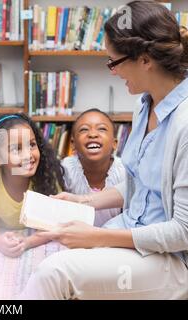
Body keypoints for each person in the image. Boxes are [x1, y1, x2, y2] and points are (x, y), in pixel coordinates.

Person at [22, 1, 188, 299]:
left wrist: (99, 237)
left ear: (145, 59)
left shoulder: (184, 125)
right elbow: (142, 184)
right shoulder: (144, 105)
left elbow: (183, 232)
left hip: (171, 258)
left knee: (53, 274)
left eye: (114, 62)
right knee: (52, 249)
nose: (112, 71)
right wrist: (83, 201)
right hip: (132, 231)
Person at [0, 114, 65, 258]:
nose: (27, 155)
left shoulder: (47, 176)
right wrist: (0, 242)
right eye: (16, 149)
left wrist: (27, 242)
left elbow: (55, 223)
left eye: (31, 145)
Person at [62, 108, 125, 226]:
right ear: (73, 144)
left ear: (114, 143)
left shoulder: (124, 172)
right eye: (84, 129)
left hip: (115, 239)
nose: (92, 134)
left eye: (102, 129)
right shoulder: (65, 170)